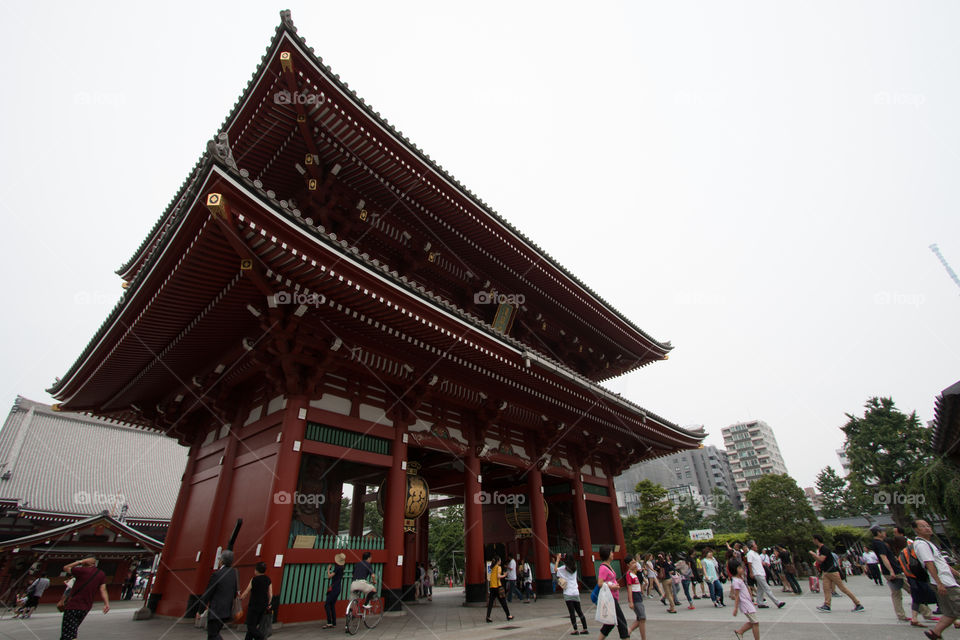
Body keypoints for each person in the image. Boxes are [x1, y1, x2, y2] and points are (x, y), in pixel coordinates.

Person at [913, 519, 960, 640]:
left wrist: (956, 574)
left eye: (928, 526)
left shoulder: (928, 543)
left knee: (950, 613)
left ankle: (935, 633)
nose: (927, 528)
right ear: (916, 530)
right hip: (944, 583)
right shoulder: (921, 544)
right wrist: (939, 583)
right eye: (923, 526)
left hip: (946, 581)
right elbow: (929, 564)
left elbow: (941, 563)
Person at [892, 533, 938, 627]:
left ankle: (914, 618)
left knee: (916, 597)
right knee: (937, 595)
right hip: (919, 576)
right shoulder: (910, 550)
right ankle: (951, 618)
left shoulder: (899, 553)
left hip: (910, 577)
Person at [810, 534, 864, 613]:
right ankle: (827, 605)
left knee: (843, 588)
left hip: (832, 572)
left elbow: (821, 560)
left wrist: (813, 554)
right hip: (826, 572)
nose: (813, 541)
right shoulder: (821, 549)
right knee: (826, 589)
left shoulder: (824, 549)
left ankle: (858, 604)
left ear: (816, 540)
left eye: (813, 539)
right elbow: (820, 561)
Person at [60, 557, 108, 640]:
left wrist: (79, 561)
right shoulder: (101, 574)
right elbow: (103, 589)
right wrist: (106, 604)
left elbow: (66, 568)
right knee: (71, 630)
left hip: (73, 605)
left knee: (70, 634)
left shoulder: (81, 570)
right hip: (86, 606)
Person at [870, 526, 908, 622]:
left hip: (889, 571)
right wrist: (891, 570)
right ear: (879, 533)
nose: (885, 533)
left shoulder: (876, 543)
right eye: (883, 531)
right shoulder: (880, 544)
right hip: (893, 571)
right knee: (910, 589)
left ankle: (902, 614)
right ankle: (924, 612)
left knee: (896, 593)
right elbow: (884, 557)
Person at [199, 550, 239, 640]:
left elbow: (208, 593)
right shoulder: (233, 573)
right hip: (226, 610)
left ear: (221, 561)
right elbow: (234, 592)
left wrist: (200, 610)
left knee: (213, 634)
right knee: (214, 633)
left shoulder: (217, 575)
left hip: (216, 610)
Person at [596, 545, 629, 640]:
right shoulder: (603, 567)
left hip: (613, 597)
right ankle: (626, 638)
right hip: (610, 599)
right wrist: (612, 586)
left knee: (609, 624)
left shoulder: (608, 565)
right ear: (607, 554)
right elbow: (600, 583)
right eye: (611, 552)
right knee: (622, 622)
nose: (613, 554)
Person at [239, 561, 272, 640]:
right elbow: (270, 593)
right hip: (263, 605)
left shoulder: (254, 579)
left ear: (256, 570)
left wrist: (241, 598)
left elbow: (247, 591)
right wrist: (269, 603)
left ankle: (261, 637)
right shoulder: (268, 579)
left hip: (254, 605)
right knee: (254, 625)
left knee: (250, 626)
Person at [556, 552, 587, 635]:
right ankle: (585, 628)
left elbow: (555, 570)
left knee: (572, 612)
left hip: (568, 592)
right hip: (575, 591)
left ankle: (575, 629)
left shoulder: (563, 568)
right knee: (579, 611)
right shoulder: (575, 567)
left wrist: (558, 560)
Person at [746, 540, 784, 609]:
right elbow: (749, 563)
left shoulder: (756, 554)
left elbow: (760, 563)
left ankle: (760, 602)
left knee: (760, 589)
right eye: (755, 545)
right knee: (767, 588)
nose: (756, 546)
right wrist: (751, 572)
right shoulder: (750, 554)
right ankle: (777, 602)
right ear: (751, 546)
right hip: (757, 573)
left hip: (761, 572)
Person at [730, 560, 759, 640]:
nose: (742, 569)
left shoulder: (740, 579)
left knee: (754, 622)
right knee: (755, 622)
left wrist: (751, 597)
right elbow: (737, 595)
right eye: (739, 568)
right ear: (735, 570)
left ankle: (740, 632)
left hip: (748, 602)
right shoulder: (736, 581)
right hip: (745, 604)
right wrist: (735, 608)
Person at [624, 555, 647, 640]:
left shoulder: (635, 573)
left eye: (634, 562)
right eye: (632, 563)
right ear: (628, 565)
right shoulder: (629, 574)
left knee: (640, 618)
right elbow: (629, 588)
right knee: (642, 618)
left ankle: (628, 631)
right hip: (635, 597)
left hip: (638, 596)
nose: (634, 564)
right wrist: (631, 601)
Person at [485, 556, 513, 622]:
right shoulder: (498, 567)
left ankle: (488, 616)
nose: (500, 561)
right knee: (503, 602)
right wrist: (504, 575)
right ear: (498, 561)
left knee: (491, 603)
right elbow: (498, 576)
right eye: (500, 560)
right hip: (497, 587)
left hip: (492, 587)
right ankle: (508, 615)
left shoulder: (493, 567)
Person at [324, 553, 345, 628]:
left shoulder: (337, 568)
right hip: (338, 587)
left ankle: (329, 622)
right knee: (332, 605)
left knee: (327, 604)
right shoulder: (342, 568)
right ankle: (334, 622)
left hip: (334, 588)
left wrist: (328, 569)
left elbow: (330, 576)